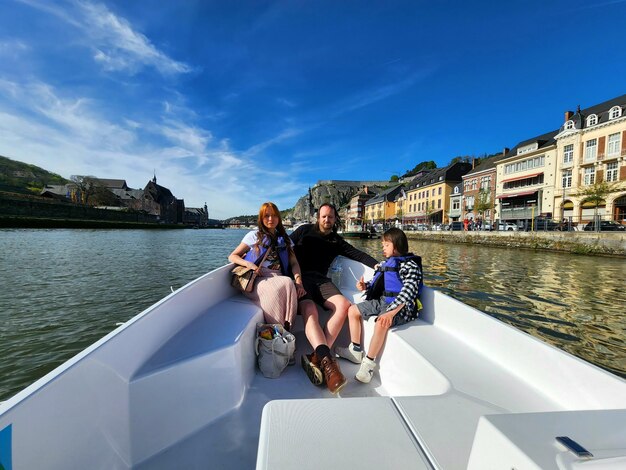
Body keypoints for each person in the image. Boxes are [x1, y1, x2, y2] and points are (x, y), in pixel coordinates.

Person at [290, 203, 378, 394]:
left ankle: (317, 358)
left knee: (344, 305)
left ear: (335, 219)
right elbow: (284, 247)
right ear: (318, 217)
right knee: (310, 310)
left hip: (321, 281)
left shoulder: (336, 241)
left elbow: (358, 254)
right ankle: (326, 362)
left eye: (330, 217)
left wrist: (378, 265)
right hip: (300, 279)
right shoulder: (303, 231)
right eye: (323, 216)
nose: (326, 220)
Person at [336, 227, 423, 383]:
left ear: (397, 245)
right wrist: (365, 286)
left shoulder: (410, 266)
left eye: (386, 245)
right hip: (384, 301)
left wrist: (390, 313)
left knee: (380, 322)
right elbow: (379, 283)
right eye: (382, 244)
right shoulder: (386, 263)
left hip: (402, 308)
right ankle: (355, 350)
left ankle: (368, 364)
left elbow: (409, 292)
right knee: (353, 310)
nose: (382, 247)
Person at [228, 202, 306, 333]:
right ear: (261, 218)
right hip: (257, 279)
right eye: (267, 216)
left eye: (274, 215)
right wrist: (250, 265)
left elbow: (294, 263)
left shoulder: (285, 239)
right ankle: (279, 331)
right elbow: (233, 256)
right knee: (286, 282)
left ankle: (284, 330)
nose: (271, 219)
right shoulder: (253, 236)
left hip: (278, 278)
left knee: (287, 283)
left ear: (279, 218)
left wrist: (299, 282)